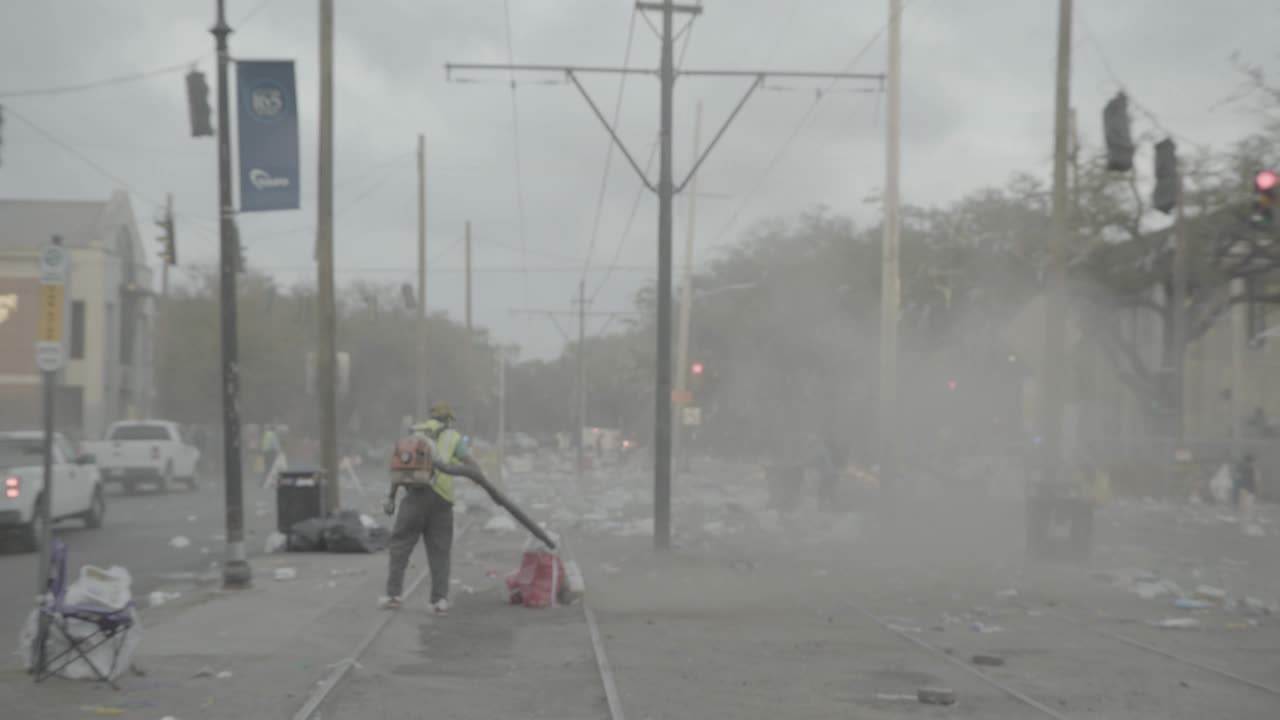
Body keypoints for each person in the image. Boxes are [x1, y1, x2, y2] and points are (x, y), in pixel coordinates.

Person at [381, 401, 478, 614]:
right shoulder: (454, 437)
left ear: (431, 416)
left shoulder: (415, 432)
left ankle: (393, 595)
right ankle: (438, 601)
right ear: (450, 418)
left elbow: (400, 465)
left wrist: (391, 496)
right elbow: (471, 464)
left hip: (414, 495)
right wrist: (474, 475)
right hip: (442, 501)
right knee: (440, 551)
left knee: (400, 547)